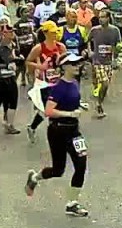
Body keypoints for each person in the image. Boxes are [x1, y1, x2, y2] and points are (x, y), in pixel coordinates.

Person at [24, 52, 90, 216]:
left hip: (74, 131)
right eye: (73, 64)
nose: (77, 66)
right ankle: (35, 178)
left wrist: (80, 105)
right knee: (58, 170)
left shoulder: (74, 83)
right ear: (64, 67)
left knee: (81, 164)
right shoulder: (59, 87)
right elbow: (48, 111)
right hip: (58, 131)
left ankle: (72, 203)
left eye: (78, 63)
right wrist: (70, 114)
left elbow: (70, 101)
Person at [88, 9, 121, 118]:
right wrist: (90, 51)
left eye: (103, 17)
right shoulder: (94, 30)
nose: (101, 19)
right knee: (105, 82)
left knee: (105, 86)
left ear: (108, 18)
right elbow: (88, 40)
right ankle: (98, 103)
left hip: (108, 61)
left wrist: (116, 55)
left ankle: (99, 103)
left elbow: (118, 45)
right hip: (97, 61)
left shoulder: (115, 30)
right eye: (100, 17)